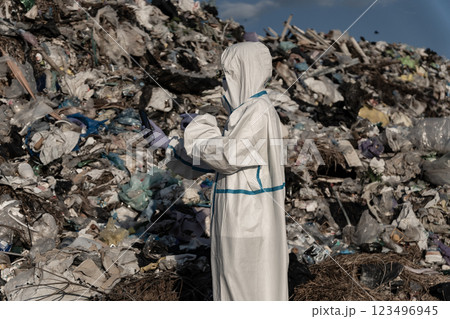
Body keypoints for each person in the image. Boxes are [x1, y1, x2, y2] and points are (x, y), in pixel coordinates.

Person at [146, 42, 288, 301]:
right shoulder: (247, 112)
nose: (224, 83)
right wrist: (171, 145)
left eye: (228, 75)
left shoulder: (258, 111)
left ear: (245, 73)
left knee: (245, 288)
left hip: (248, 221)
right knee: (233, 284)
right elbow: (222, 158)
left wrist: (201, 127)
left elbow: (228, 156)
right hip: (238, 216)